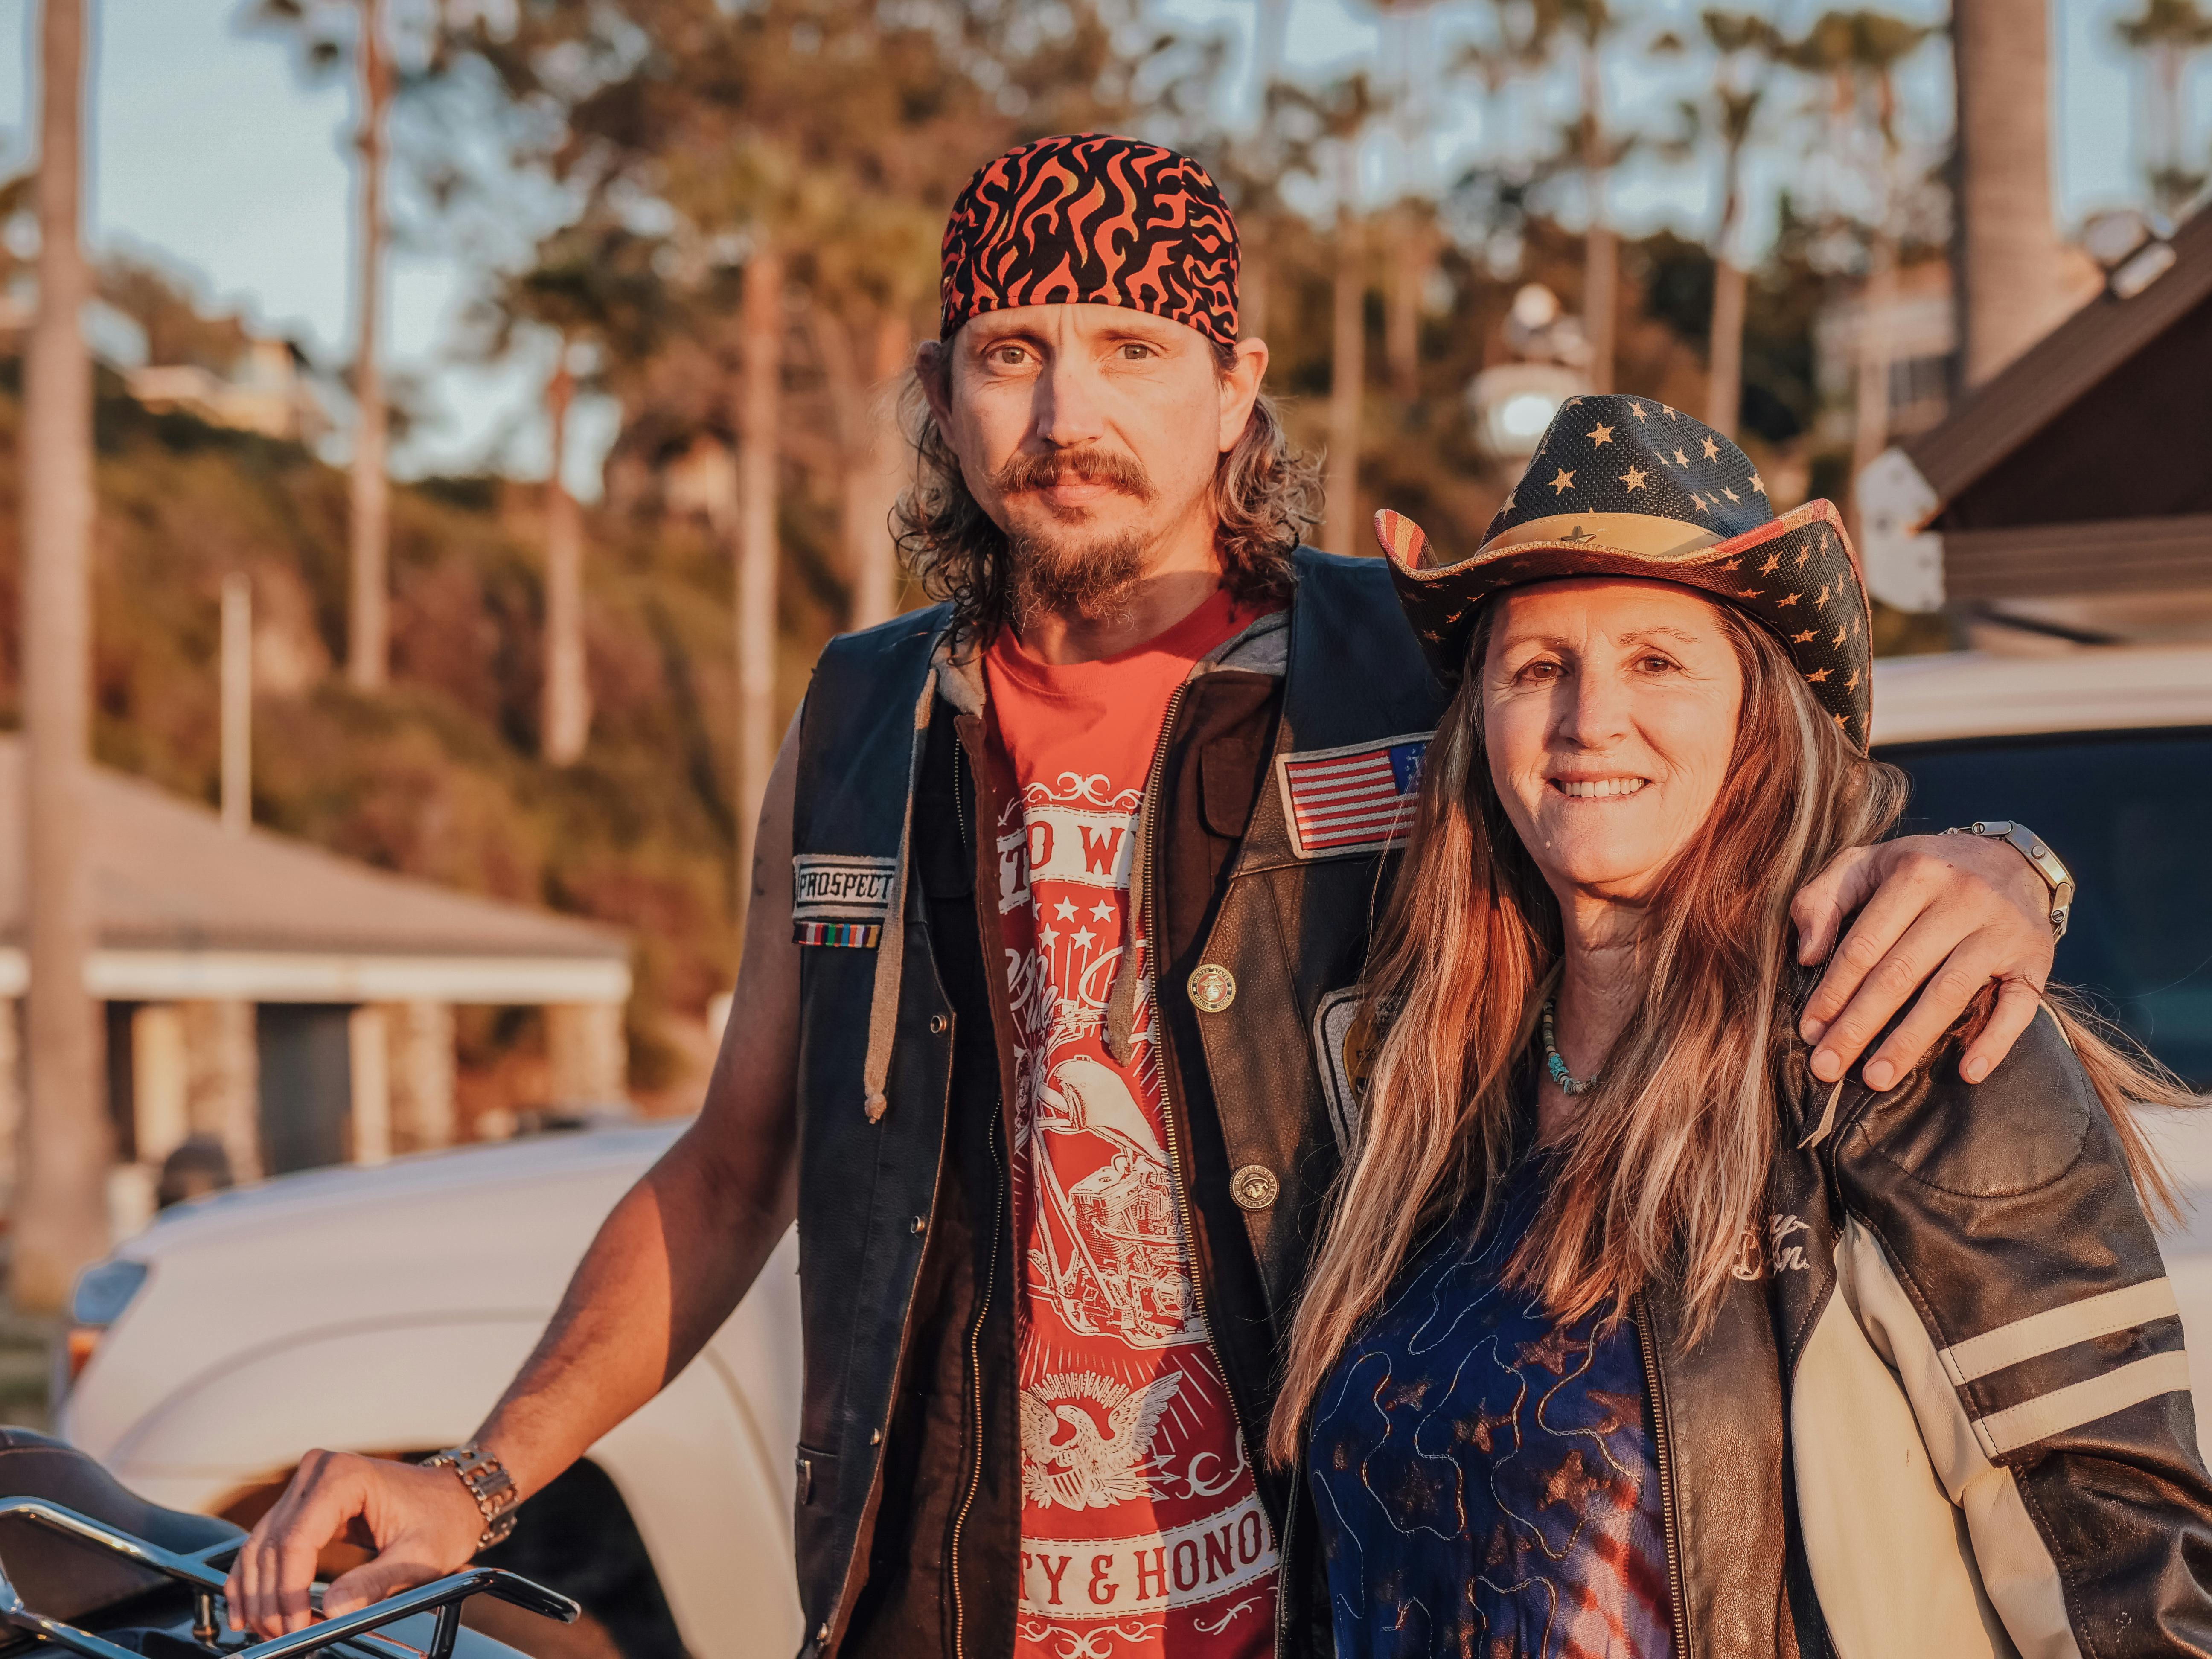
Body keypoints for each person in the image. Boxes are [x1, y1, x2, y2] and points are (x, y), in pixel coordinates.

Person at [227, 140, 2070, 1659]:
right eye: (1013, 349)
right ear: (942, 396)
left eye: (1132, 346)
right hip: (941, 1606)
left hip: (1340, 1597)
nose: (1069, 409)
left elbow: (1694, 818)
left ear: (1235, 391)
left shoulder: (1397, 671)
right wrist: (475, 1480)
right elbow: (735, 1166)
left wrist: (2008, 867)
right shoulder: (866, 723)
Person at [1280, 395, 2212, 1659]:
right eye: (1537, 666)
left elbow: (2128, 1582)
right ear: (1478, 727)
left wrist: (2015, 866)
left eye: (1657, 660)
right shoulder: (1428, 1087)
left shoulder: (1893, 1046)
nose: (1588, 719)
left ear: (1757, 714)